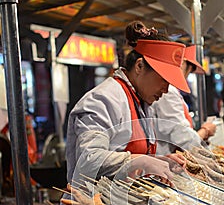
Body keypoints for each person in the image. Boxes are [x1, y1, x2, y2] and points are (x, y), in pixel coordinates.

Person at [66, 21, 190, 185]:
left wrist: (158, 161)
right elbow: (89, 159)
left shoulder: (141, 100)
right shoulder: (103, 100)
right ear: (139, 66)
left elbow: (133, 155)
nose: (166, 90)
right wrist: (142, 161)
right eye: (163, 80)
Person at [150, 44, 217, 155]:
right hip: (166, 160)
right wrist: (205, 131)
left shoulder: (171, 91)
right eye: (190, 70)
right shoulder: (168, 91)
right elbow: (182, 138)